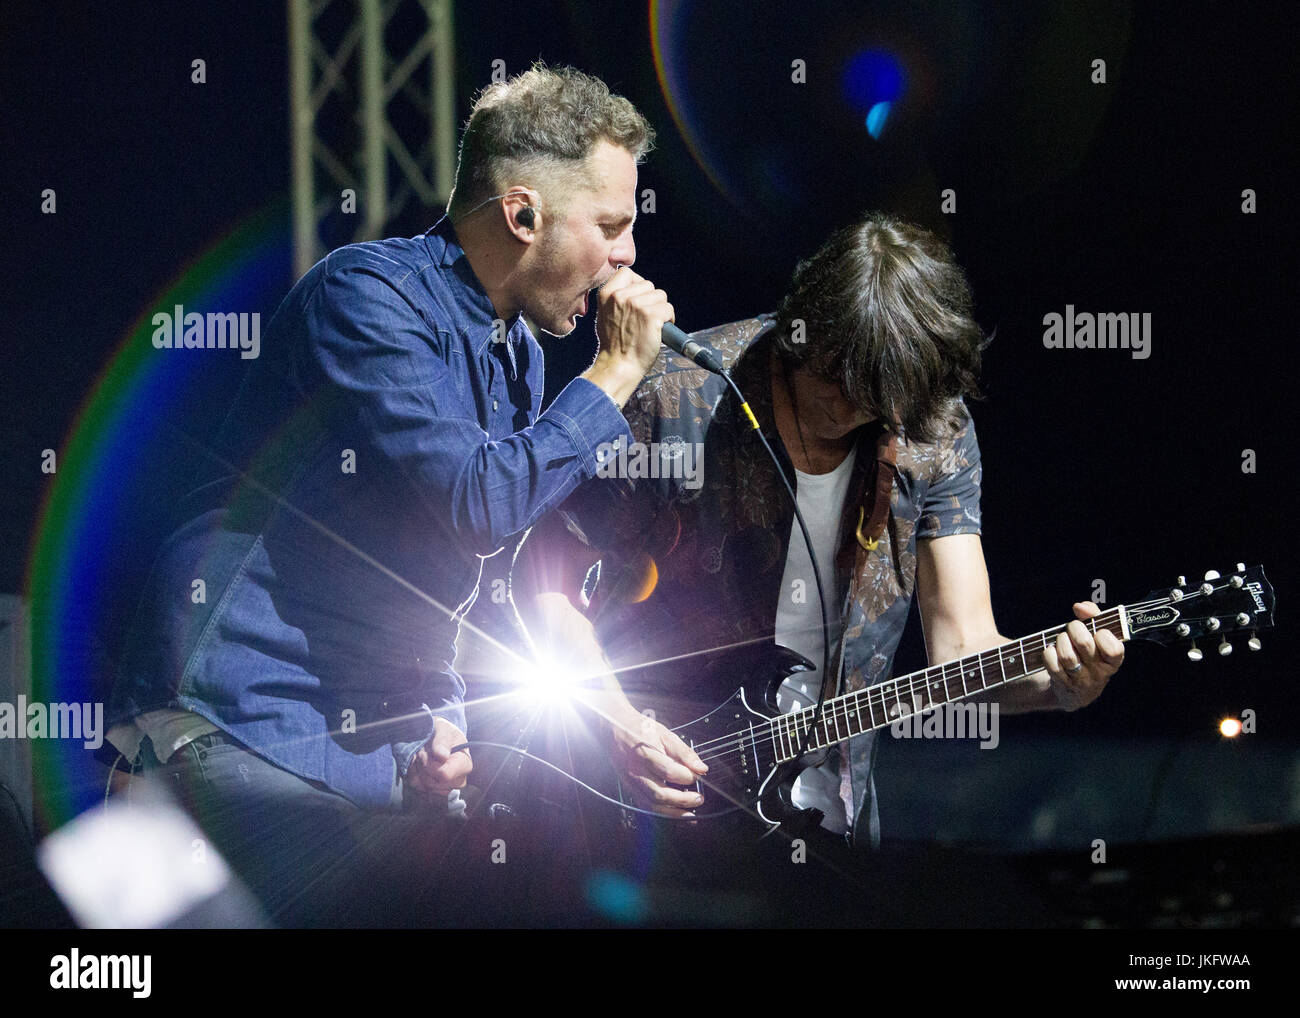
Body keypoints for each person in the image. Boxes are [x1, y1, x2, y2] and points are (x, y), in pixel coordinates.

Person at [103, 63, 703, 919]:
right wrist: (613, 374)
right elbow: (479, 501)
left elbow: (472, 567)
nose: (627, 256)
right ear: (522, 214)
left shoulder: (518, 355)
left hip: (361, 754)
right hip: (241, 721)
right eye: (609, 225)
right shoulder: (365, 296)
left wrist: (444, 715)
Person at [514, 212, 1125, 847]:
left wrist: (1060, 684)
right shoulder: (681, 397)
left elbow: (963, 654)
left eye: (883, 398)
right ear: (807, 330)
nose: (860, 409)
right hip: (653, 819)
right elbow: (541, 574)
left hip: (838, 835)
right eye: (842, 382)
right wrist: (614, 722)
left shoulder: (932, 426)